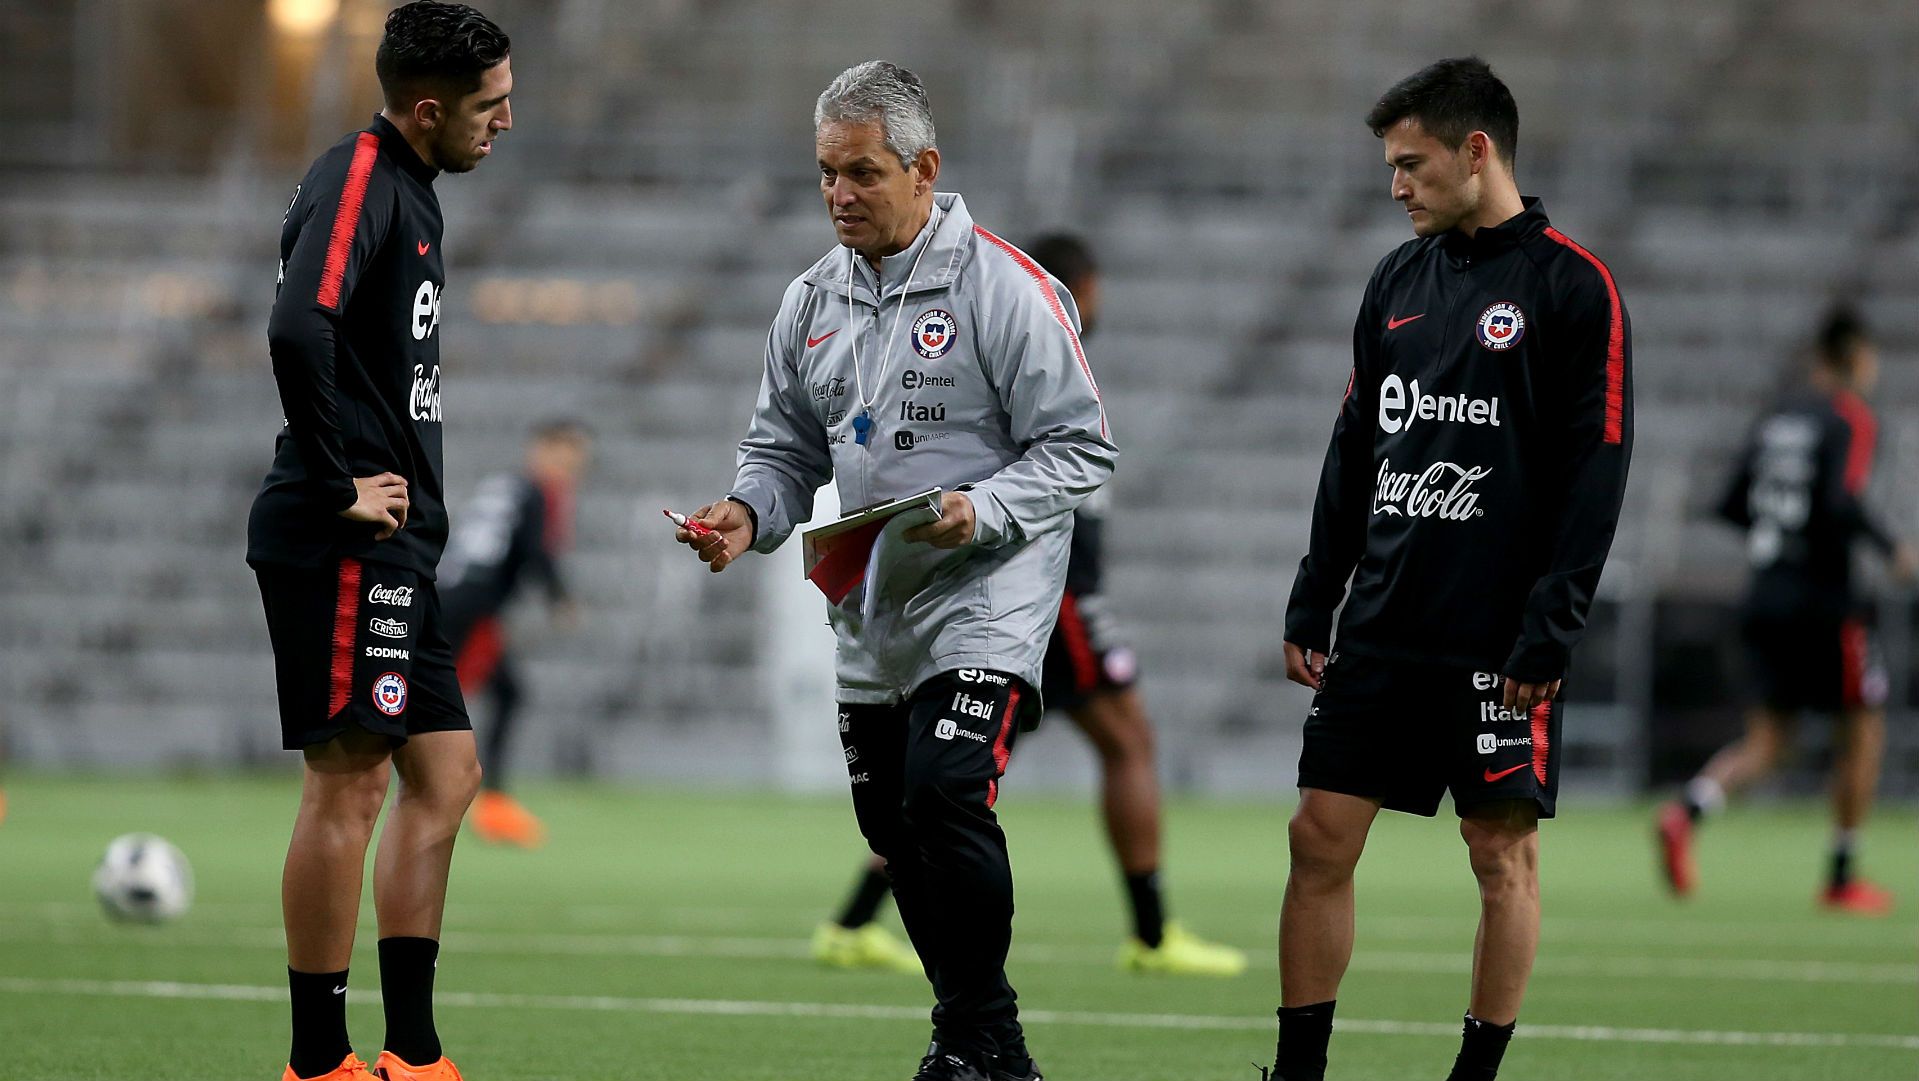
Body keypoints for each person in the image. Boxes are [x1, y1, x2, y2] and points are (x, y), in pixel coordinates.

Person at [675, 60, 1114, 1081]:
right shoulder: (809, 300)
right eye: (826, 173)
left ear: (924, 169)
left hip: (987, 590)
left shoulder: (1003, 287)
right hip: (872, 600)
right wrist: (745, 516)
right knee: (891, 822)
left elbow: (1082, 446)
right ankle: (969, 1039)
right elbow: (781, 450)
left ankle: (984, 1033)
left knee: (946, 787)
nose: (839, 194)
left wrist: (987, 507)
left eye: (862, 173)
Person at [1269, 58, 1632, 1081]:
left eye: (1409, 163)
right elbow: (1353, 448)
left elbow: (1593, 474)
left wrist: (1548, 627)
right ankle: (1298, 1072)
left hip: (1495, 638)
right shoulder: (1396, 278)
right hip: (1382, 624)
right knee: (1317, 837)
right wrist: (1315, 589)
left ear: (1476, 152)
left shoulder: (1572, 286)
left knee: (1498, 855)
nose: (1395, 186)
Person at [812, 235, 1244, 980]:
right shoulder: (1023, 338)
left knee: (943, 781)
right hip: (1048, 589)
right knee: (1121, 743)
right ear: (1076, 284)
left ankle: (852, 921)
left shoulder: (1022, 345)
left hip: (1032, 585)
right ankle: (1150, 933)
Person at [245, 4, 511, 1079]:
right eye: (491, 108)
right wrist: (334, 477)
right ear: (429, 108)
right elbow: (294, 325)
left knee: (446, 776)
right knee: (348, 782)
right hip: (344, 533)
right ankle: (319, 1061)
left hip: (400, 544)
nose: (506, 124)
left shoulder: (415, 194)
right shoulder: (359, 176)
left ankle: (412, 1052)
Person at [1658, 307, 1913, 914]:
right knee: (1864, 728)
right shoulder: (1848, 416)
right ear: (1853, 355)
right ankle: (1842, 872)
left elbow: (1727, 502)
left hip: (1765, 593)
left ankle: (1688, 808)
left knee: (1770, 741)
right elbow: (1839, 499)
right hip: (1825, 602)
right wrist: (1893, 548)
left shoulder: (1779, 417)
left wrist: (1778, 532)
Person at [440, 419, 591, 848]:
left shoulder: (505, 487)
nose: (575, 463)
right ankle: (445, 795)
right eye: (568, 451)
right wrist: (560, 599)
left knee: (505, 694)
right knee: (437, 705)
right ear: (541, 449)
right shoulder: (539, 492)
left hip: (454, 598)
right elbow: (534, 550)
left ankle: (493, 803)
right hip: (473, 609)